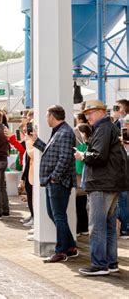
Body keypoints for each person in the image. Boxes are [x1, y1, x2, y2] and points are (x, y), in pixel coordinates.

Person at [75, 100, 128, 276]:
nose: (87, 117)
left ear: (100, 112)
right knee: (109, 225)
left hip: (101, 183)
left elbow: (98, 156)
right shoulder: (109, 127)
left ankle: (99, 264)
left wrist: (83, 155)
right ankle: (111, 262)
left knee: (97, 226)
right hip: (110, 183)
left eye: (90, 113)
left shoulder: (103, 128)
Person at [33, 105, 78, 263]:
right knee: (55, 214)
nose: (46, 119)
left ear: (53, 116)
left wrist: (55, 177)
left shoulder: (65, 132)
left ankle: (61, 251)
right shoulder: (60, 131)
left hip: (58, 182)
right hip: (53, 181)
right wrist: (36, 141)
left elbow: (65, 158)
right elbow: (51, 152)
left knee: (58, 216)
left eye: (47, 116)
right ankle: (70, 246)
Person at [74, 123, 91, 237]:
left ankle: (79, 228)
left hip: (79, 178)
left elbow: (78, 166)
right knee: (83, 205)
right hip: (86, 180)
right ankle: (84, 227)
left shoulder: (79, 147)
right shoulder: (89, 144)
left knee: (77, 204)